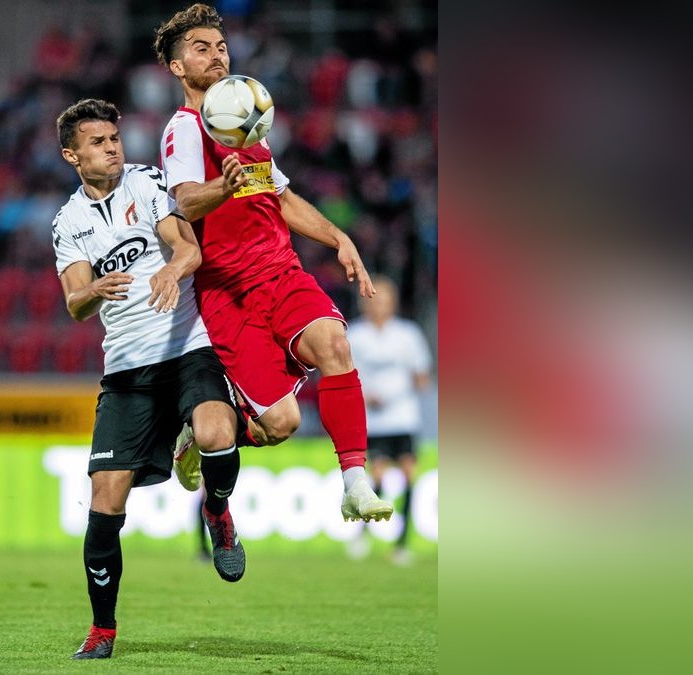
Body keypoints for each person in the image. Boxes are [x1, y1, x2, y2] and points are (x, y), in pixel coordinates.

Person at [152, 4, 393, 522]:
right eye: (201, 49)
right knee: (279, 424)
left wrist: (338, 237)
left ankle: (354, 481)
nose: (216, 56)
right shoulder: (186, 129)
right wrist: (225, 185)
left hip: (281, 272)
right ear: (177, 68)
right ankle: (200, 437)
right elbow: (187, 202)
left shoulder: (244, 122)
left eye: (220, 46)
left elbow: (280, 197)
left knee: (334, 341)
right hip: (228, 293)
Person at [51, 98, 247, 660]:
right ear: (72, 155)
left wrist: (170, 267)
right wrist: (93, 291)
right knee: (105, 502)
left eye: (114, 138)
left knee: (215, 432)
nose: (112, 147)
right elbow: (74, 303)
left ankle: (217, 511)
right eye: (98, 142)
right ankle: (103, 630)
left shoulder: (147, 183)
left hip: (188, 348)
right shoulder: (69, 222)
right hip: (128, 372)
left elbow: (189, 249)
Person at [345, 275, 434, 565]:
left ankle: (401, 544)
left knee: (409, 474)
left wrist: (405, 388)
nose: (380, 305)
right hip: (373, 420)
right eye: (374, 299)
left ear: (393, 303)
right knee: (378, 476)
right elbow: (345, 374)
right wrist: (364, 396)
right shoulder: (355, 335)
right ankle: (362, 535)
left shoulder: (408, 334)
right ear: (364, 303)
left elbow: (422, 376)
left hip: (403, 417)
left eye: (384, 299)